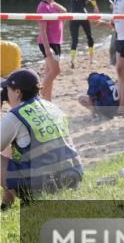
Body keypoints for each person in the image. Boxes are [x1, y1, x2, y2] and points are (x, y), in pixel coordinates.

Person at [1, 69, 83, 207]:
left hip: (42, 188)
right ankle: (6, 204)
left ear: (17, 92)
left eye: (7, 90)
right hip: (72, 180)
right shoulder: (53, 107)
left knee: (7, 151)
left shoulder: (15, 116)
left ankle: (14, 203)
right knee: (12, 148)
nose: (6, 94)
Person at [35, 0, 65, 101]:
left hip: (55, 42)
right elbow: (42, 30)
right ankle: (37, 95)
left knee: (49, 73)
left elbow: (64, 11)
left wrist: (51, 0)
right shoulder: (43, 7)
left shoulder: (51, 5)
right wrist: (48, 49)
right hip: (48, 44)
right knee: (55, 71)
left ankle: (48, 101)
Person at [67, 0, 96, 69]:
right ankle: (91, 60)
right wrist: (95, 6)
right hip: (83, 15)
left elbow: (78, 3)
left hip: (73, 16)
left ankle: (72, 59)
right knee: (89, 36)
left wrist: (85, 2)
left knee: (74, 39)